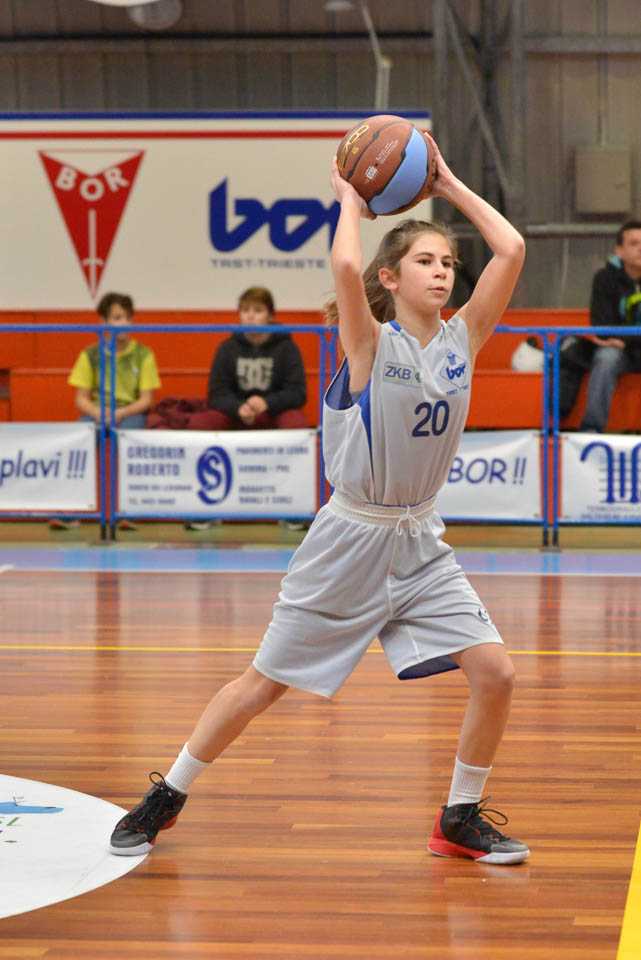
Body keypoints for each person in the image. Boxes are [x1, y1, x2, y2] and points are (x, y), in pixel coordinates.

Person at [109, 134, 530, 866]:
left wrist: (445, 182)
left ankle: (458, 817)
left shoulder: (463, 339)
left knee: (497, 673)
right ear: (390, 277)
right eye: (426, 262)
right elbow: (342, 265)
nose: (442, 272)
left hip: (419, 541)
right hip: (349, 539)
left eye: (447, 263)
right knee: (261, 685)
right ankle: (167, 794)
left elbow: (512, 247)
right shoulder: (370, 345)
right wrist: (349, 200)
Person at [185, 285, 308, 531]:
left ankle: (293, 507)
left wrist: (267, 403)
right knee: (200, 423)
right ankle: (204, 506)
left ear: (270, 315)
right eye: (246, 310)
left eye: (258, 310)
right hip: (238, 415)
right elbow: (216, 393)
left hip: (272, 414)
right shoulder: (227, 348)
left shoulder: (287, 347)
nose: (250, 315)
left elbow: (297, 392)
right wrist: (238, 408)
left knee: (296, 424)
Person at [50, 292, 161, 531]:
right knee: (77, 438)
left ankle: (128, 512)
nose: (123, 323)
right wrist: (99, 413)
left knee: (128, 440)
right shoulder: (90, 354)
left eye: (126, 317)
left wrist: (120, 414)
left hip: (130, 412)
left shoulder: (144, 354)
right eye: (116, 318)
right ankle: (69, 511)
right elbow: (81, 399)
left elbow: (146, 400)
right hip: (97, 412)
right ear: (102, 322)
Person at [578, 220, 641, 431]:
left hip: (623, 343)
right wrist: (622, 341)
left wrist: (624, 339)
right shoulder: (604, 278)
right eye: (634, 243)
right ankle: (591, 430)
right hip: (618, 351)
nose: (640, 249)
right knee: (606, 359)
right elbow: (602, 325)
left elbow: (614, 334)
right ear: (619, 251)